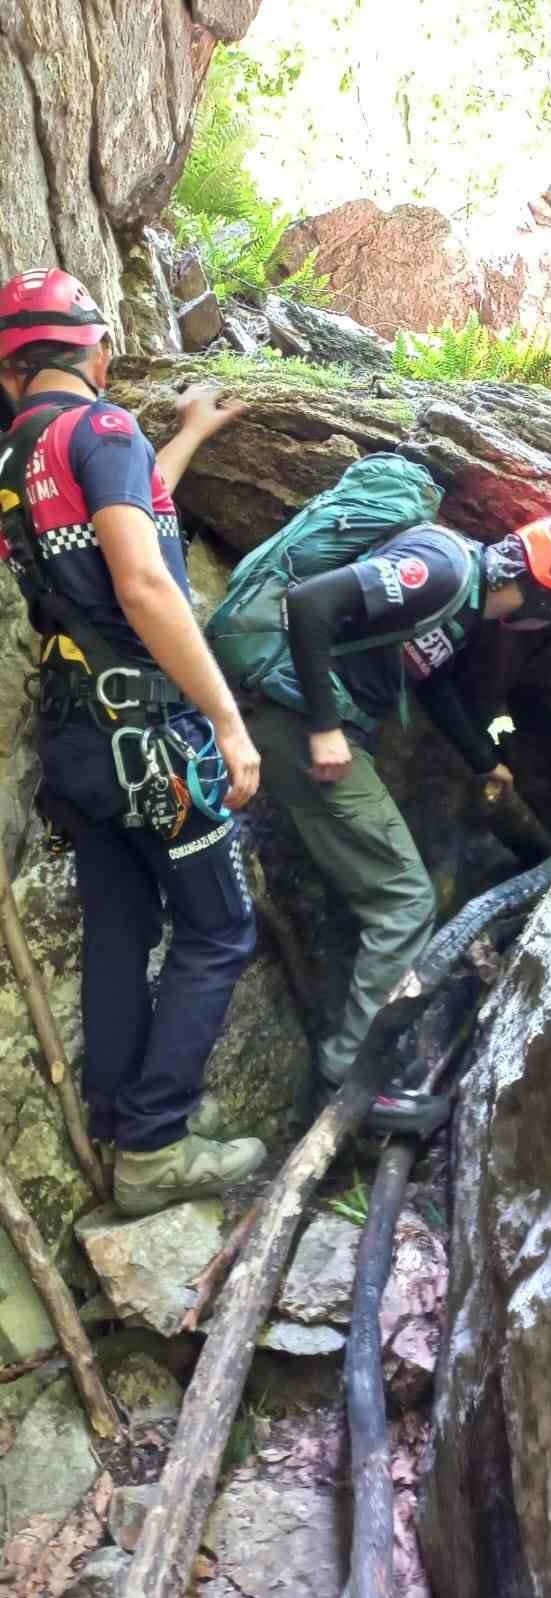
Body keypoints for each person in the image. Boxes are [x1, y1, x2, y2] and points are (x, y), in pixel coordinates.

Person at [0, 266, 266, 1216]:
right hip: (147, 731)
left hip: (77, 739)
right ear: (98, 349)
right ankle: (155, 1145)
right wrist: (226, 720)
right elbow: (144, 581)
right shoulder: (103, 430)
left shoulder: (16, 458)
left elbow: (119, 530)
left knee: (121, 927)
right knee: (219, 928)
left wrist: (184, 437)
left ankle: (121, 1119)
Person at [246, 510, 551, 1132]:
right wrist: (324, 726)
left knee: (395, 894)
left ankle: (355, 1070)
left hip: (309, 726)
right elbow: (309, 603)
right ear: (549, 598)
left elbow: (433, 683)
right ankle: (348, 1084)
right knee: (405, 900)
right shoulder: (444, 570)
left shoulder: (462, 605)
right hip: (297, 723)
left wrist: (485, 762)